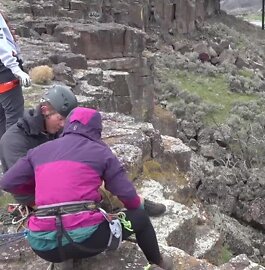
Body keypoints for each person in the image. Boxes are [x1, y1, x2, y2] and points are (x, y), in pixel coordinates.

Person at [0, 107, 173, 270]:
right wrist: (136, 204)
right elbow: (127, 195)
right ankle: (158, 262)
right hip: (88, 241)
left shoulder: (39, 151)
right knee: (140, 218)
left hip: (44, 247)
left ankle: (67, 257)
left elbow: (8, 182)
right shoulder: (100, 151)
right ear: (96, 130)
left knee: (67, 229)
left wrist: (39, 194)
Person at [0, 85, 166, 216]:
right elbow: (16, 182)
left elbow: (83, 147)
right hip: (42, 196)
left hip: (66, 181)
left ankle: (137, 203)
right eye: (60, 119)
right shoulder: (13, 141)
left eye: (67, 120)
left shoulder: (57, 130)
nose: (63, 125)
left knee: (102, 179)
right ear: (44, 111)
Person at [0, 11, 31, 138]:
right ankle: (11, 154)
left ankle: (3, 154)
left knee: (1, 117)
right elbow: (1, 43)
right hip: (5, 70)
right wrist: (16, 68)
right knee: (14, 117)